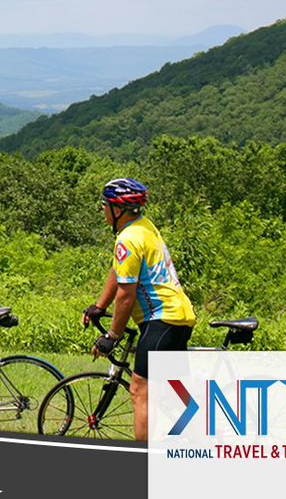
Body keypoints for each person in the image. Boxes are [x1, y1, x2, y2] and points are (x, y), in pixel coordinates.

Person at [82, 178, 195, 441]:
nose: (102, 209)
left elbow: (126, 295)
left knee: (140, 389)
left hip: (160, 319)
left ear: (117, 210)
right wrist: (99, 306)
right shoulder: (142, 228)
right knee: (175, 393)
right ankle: (207, 445)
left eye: (105, 205)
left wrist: (112, 336)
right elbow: (119, 272)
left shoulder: (128, 239)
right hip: (178, 316)